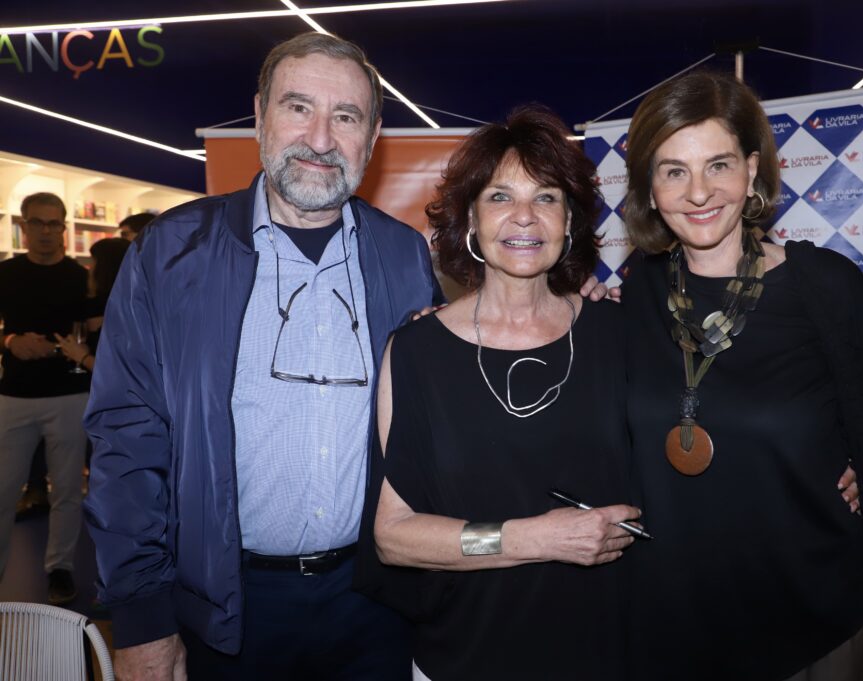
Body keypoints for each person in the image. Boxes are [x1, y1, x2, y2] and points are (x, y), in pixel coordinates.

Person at [84, 32, 610, 681]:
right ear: (260, 115)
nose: (321, 138)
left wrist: (574, 293)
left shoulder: (400, 255)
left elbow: (434, 416)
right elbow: (126, 438)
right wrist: (142, 620)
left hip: (376, 603)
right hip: (225, 607)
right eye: (299, 108)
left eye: (346, 116)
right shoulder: (172, 253)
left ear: (373, 134)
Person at [619, 70, 863, 680]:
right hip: (674, 628)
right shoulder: (635, 295)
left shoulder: (826, 287)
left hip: (818, 627)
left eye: (718, 165)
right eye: (674, 171)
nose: (698, 192)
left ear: (752, 171)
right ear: (649, 186)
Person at [361, 104, 637, 681]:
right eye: (500, 197)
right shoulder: (416, 352)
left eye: (546, 197)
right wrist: (536, 538)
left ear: (569, 220)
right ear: (471, 218)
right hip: (464, 657)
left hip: (606, 650)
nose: (525, 217)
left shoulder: (618, 333)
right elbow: (393, 537)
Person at [0, 192, 90, 605]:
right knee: (4, 490)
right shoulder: (6, 273)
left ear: (64, 228)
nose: (46, 232)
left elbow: (93, 331)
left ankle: (60, 569)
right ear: (24, 226)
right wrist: (11, 341)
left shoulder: (80, 277)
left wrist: (70, 350)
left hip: (68, 395)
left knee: (67, 489)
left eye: (54, 224)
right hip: (14, 396)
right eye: (37, 223)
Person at [55, 236, 131, 373]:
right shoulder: (108, 304)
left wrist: (83, 357)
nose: (88, 270)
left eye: (92, 263)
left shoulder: (126, 314)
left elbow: (120, 373)